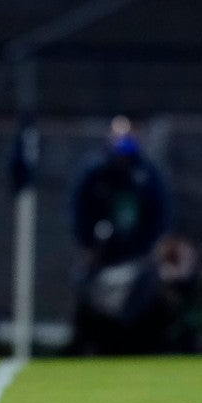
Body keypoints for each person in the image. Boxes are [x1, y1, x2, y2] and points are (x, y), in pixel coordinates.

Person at [67, 116, 170, 353]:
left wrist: (145, 247)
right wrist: (89, 245)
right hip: (100, 254)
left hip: (136, 256)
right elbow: (80, 211)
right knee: (87, 294)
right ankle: (87, 344)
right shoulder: (95, 174)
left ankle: (144, 345)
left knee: (148, 296)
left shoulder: (147, 174)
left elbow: (159, 215)